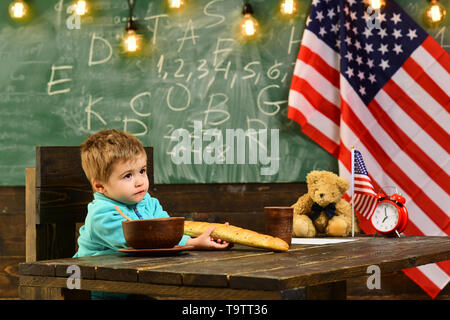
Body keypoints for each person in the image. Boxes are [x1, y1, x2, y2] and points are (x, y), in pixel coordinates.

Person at [74, 129, 230, 299]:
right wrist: (194, 243)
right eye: (128, 176)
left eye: (142, 171)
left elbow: (168, 232)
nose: (140, 181)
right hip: (105, 288)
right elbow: (141, 242)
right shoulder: (101, 214)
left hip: (138, 282)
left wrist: (209, 235)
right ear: (100, 186)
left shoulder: (148, 202)